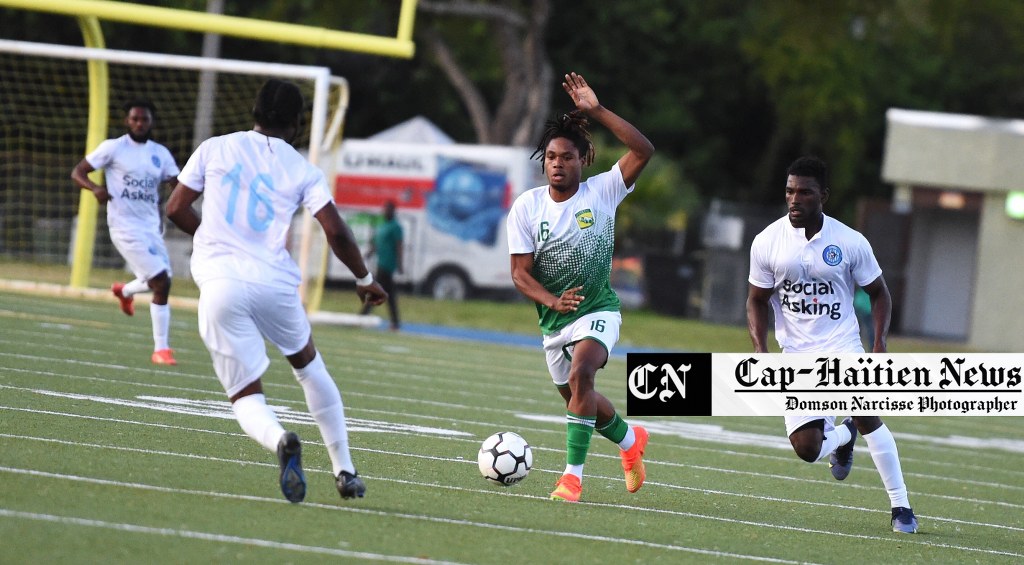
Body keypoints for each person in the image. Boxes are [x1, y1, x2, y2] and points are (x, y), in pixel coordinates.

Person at [166, 79, 387, 503]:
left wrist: (212, 237)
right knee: (309, 365)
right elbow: (336, 231)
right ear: (297, 123)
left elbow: (175, 208)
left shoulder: (215, 147)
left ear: (254, 111)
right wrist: (364, 279)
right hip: (274, 284)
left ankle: (280, 440)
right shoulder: (303, 169)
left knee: (245, 394)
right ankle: (345, 470)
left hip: (221, 284)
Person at [746, 155, 918, 534]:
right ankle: (842, 437)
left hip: (842, 346)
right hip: (795, 355)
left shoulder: (850, 242)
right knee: (807, 449)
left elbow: (879, 293)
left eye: (805, 192)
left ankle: (901, 506)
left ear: (823, 195)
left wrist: (880, 344)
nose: (795, 199)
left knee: (867, 413)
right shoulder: (767, 242)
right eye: (790, 191)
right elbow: (756, 299)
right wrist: (760, 351)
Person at [507, 72, 655, 503]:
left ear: (582, 160)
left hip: (598, 310)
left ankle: (572, 479)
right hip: (554, 321)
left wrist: (597, 110)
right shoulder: (527, 208)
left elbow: (643, 150)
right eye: (551, 156)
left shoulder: (603, 192)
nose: (557, 163)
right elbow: (519, 274)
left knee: (582, 375)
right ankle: (630, 441)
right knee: (577, 395)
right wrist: (552, 300)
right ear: (543, 161)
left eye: (567, 157)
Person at [71, 98, 180, 365]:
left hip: (151, 227)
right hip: (124, 227)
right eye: (135, 119)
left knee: (160, 279)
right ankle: (161, 349)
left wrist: (175, 203)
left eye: (144, 119)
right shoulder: (114, 148)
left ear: (151, 122)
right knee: (161, 281)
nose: (139, 123)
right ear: (127, 121)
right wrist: (95, 188)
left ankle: (125, 292)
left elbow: (175, 184)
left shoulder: (161, 154)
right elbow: (78, 172)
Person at [359, 200, 403, 330]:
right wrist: (368, 254)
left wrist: (400, 264)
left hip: (388, 263)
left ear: (393, 211)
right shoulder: (383, 225)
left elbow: (399, 246)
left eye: (388, 209)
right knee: (386, 293)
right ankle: (394, 322)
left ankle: (362, 317)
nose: (385, 212)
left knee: (377, 290)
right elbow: (377, 243)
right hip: (380, 262)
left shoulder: (395, 227)